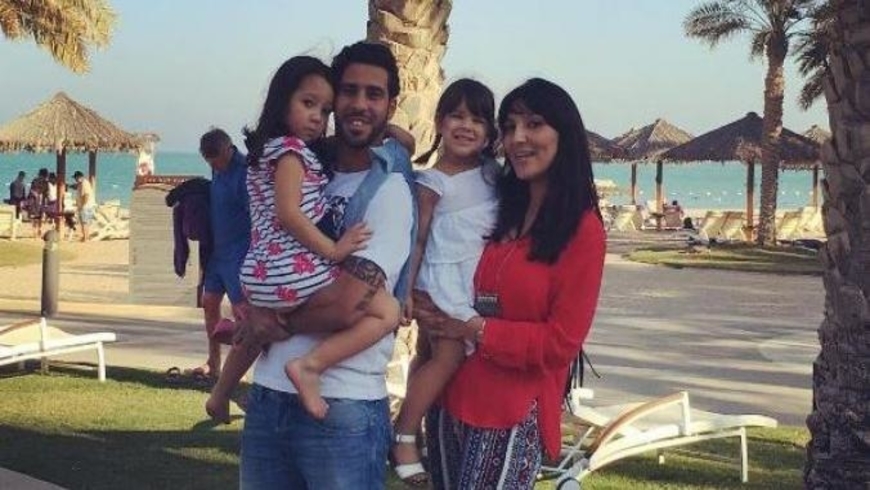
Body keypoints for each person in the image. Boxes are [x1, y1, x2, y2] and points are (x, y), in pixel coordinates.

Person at [236, 41, 415, 489]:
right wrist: (254, 310)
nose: (359, 103)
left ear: (391, 105)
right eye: (349, 91)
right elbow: (263, 245)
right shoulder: (300, 166)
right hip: (268, 395)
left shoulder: (388, 190)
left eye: (374, 94)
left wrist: (268, 320)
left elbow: (347, 305)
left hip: (342, 407)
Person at [414, 78, 606, 489]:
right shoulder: (495, 205)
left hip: (511, 411)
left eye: (534, 124)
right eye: (510, 126)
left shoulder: (582, 230)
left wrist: (476, 329)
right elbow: (437, 250)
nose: (518, 138)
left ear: (563, 133)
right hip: (449, 398)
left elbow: (561, 342)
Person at [206, 55, 404, 423]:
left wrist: (396, 136)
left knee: (261, 326)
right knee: (388, 311)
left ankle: (221, 391)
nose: (317, 117)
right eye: (308, 104)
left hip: (263, 272)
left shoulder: (271, 153)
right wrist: (334, 249)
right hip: (292, 271)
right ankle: (311, 366)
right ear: (282, 102)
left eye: (324, 110)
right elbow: (289, 214)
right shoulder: (292, 155)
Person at [390, 78, 500, 486]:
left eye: (477, 119)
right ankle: (404, 436)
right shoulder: (431, 181)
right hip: (441, 279)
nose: (466, 126)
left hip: (469, 278)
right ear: (439, 122)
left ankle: (412, 427)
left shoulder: (492, 173)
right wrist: (407, 290)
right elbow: (417, 238)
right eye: (456, 116)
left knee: (426, 352)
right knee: (448, 356)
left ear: (489, 131)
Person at [197, 128, 251, 380]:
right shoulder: (215, 169)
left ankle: (237, 370)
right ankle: (213, 362)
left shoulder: (245, 172)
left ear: (229, 149)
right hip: (217, 252)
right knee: (209, 303)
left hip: (240, 252)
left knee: (242, 312)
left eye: (216, 160)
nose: (214, 166)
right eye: (209, 162)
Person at [72, 171, 95, 242]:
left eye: (75, 178)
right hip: (87, 206)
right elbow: (76, 187)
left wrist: (82, 205)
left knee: (84, 222)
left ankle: (85, 238)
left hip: (85, 206)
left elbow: (86, 195)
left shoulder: (84, 184)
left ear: (79, 177)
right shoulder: (82, 183)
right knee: (85, 222)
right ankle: (86, 236)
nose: (75, 179)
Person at [27, 168, 48, 238]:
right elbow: (32, 190)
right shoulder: (37, 181)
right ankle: (35, 231)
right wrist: (36, 194)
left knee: (39, 217)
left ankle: (38, 230)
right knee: (35, 217)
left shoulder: (44, 182)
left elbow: (46, 193)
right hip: (35, 201)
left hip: (40, 201)